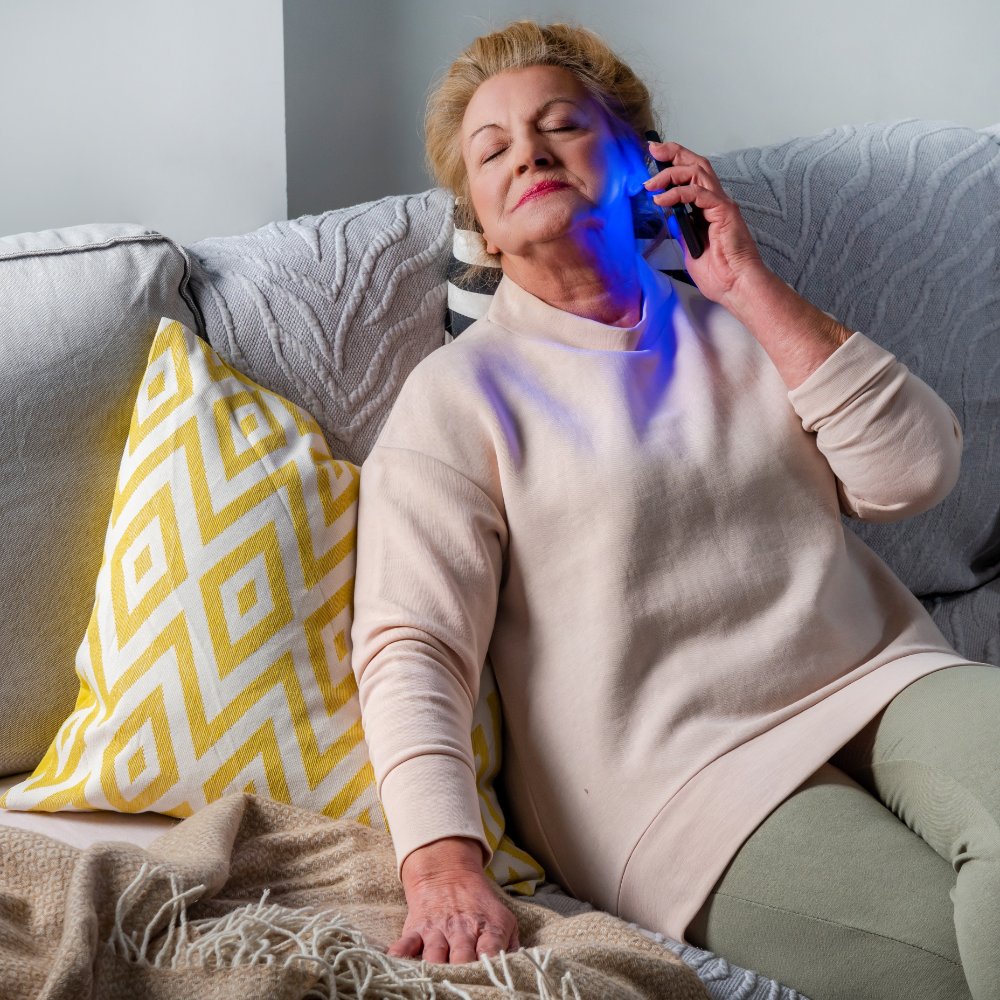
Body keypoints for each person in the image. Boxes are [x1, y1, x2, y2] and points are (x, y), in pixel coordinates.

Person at [350, 19, 1000, 999]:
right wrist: (440, 863)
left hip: (879, 678)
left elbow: (914, 474)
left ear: (641, 160)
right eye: (492, 149)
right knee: (946, 969)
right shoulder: (459, 397)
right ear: (478, 222)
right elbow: (413, 643)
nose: (527, 152)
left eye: (562, 125)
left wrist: (747, 285)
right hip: (680, 786)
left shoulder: (745, 326)